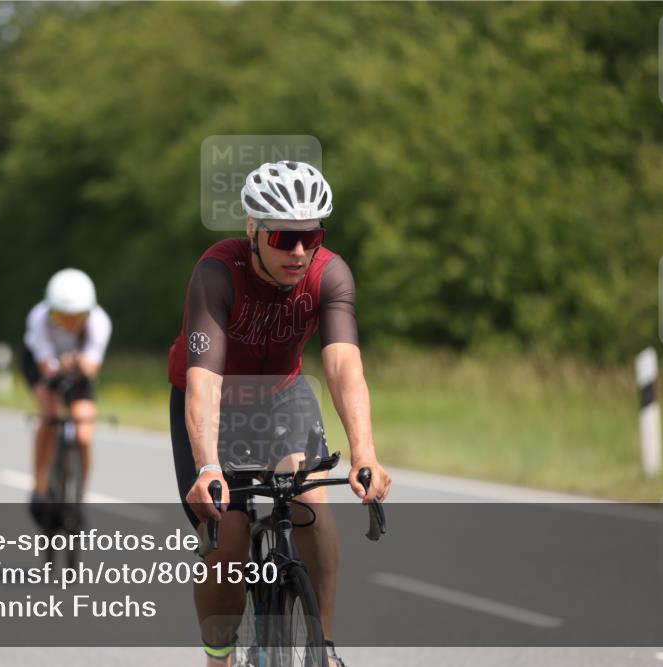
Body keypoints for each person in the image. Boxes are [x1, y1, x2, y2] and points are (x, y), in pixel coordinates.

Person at [168, 161, 393, 667]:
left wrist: (365, 452)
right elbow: (203, 383)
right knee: (229, 537)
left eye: (310, 236)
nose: (297, 251)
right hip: (214, 400)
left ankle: (324, 648)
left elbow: (342, 366)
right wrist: (208, 468)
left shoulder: (329, 272)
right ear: (253, 228)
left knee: (311, 501)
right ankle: (219, 656)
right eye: (283, 237)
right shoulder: (217, 273)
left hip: (283, 395)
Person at [22, 269, 112, 523]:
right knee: (50, 414)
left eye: (78, 317)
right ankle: (39, 488)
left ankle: (79, 497)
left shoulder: (99, 321)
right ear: (51, 311)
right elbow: (46, 367)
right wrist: (63, 365)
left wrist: (76, 364)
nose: (70, 323)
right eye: (62, 316)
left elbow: (92, 367)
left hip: (77, 370)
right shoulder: (38, 318)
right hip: (42, 363)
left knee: (83, 432)